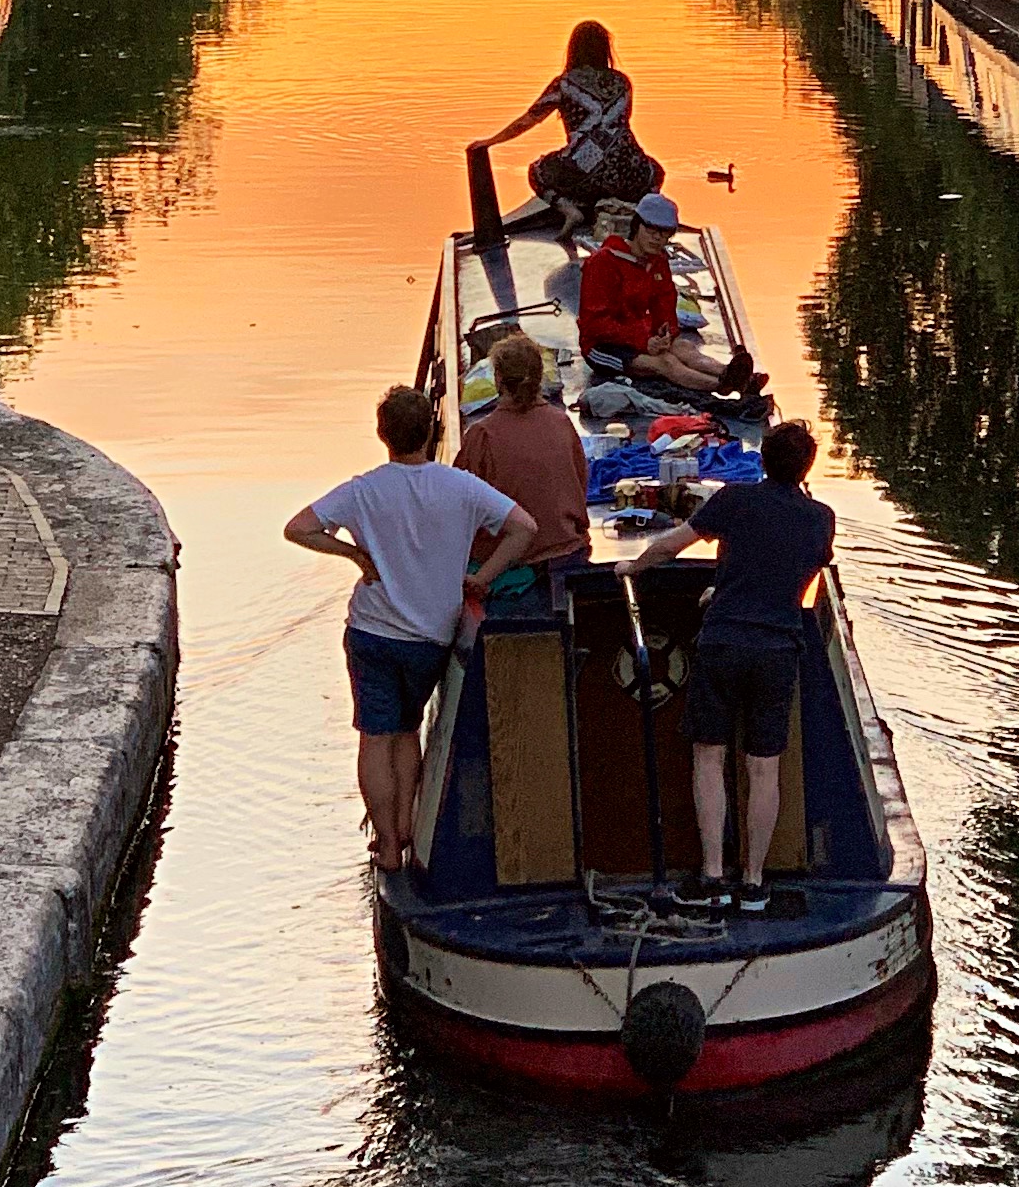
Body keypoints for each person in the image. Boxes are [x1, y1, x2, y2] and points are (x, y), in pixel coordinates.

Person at [285, 386, 534, 875]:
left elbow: (298, 528)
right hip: (429, 638)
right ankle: (410, 828)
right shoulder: (460, 487)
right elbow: (524, 526)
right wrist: (481, 580)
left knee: (377, 736)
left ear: (382, 436)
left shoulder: (363, 490)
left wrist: (354, 554)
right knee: (409, 732)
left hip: (371, 633)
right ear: (432, 432)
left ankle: (389, 847)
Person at [621, 417, 834, 911]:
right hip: (779, 649)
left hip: (724, 641)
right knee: (764, 769)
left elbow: (673, 545)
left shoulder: (735, 501)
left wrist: (630, 567)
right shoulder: (820, 517)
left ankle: (712, 876)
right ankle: (756, 883)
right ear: (806, 466)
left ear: (761, 460)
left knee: (709, 756)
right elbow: (802, 571)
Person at [576, 192, 761, 406]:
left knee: (684, 348)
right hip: (603, 347)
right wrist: (643, 342)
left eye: (664, 234)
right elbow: (595, 324)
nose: (657, 238)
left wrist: (666, 333)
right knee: (665, 363)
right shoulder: (604, 263)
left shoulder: (658, 263)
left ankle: (731, 374)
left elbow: (664, 305)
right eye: (651, 230)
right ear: (637, 226)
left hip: (644, 338)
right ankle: (723, 386)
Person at [476, 17, 660, 221]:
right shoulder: (622, 82)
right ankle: (642, 215)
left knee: (537, 171)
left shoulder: (564, 84)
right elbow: (621, 123)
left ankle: (570, 211)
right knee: (656, 172)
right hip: (629, 171)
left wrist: (491, 141)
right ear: (605, 50)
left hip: (582, 172)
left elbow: (527, 121)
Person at [454, 332, 590, 589]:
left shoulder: (483, 435)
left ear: (498, 379)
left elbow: (461, 509)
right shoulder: (562, 423)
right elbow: (580, 484)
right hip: (568, 551)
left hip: (512, 563)